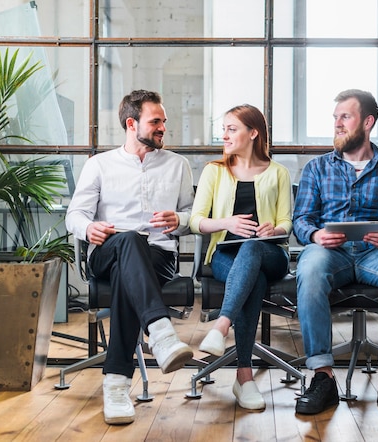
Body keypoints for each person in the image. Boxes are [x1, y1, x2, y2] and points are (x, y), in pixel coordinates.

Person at [65, 89, 195, 425]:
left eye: (164, 122)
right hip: (107, 253)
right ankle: (161, 333)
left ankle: (116, 383)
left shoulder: (178, 166)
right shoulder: (100, 165)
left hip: (158, 257)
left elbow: (192, 215)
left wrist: (179, 220)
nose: (163, 127)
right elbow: (74, 214)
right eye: (156, 121)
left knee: (132, 256)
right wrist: (87, 228)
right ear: (131, 123)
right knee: (128, 241)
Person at [293, 89, 378, 418]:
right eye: (335, 117)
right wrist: (316, 234)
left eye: (345, 117)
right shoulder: (317, 168)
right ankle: (322, 378)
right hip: (330, 253)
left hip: (375, 254)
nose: (337, 124)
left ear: (367, 122)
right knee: (309, 270)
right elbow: (302, 220)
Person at [190, 104, 292, 410]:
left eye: (231, 129)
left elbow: (288, 222)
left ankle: (222, 325)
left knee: (252, 247)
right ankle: (244, 378)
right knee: (253, 278)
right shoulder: (214, 171)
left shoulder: (278, 173)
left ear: (253, 133)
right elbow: (196, 221)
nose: (224, 135)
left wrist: (274, 228)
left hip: (270, 252)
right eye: (223, 129)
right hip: (224, 254)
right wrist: (227, 223)